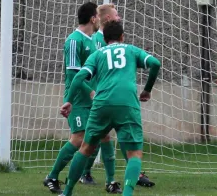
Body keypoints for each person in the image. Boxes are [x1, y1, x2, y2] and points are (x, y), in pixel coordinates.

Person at [59, 20, 161, 196]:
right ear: (122, 37)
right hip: (126, 102)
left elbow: (78, 77)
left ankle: (67, 192)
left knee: (85, 148)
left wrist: (68, 101)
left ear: (104, 39)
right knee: (134, 153)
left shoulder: (97, 54)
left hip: (101, 103)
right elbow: (155, 64)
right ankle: (126, 194)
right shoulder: (131, 50)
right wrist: (147, 90)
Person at [43, 2, 115, 194]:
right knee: (78, 139)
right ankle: (51, 176)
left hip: (93, 99)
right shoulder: (74, 41)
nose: (99, 20)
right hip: (77, 99)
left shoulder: (91, 40)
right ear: (93, 19)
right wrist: (91, 92)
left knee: (104, 135)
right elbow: (75, 75)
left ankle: (111, 182)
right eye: (97, 17)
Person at [81, 3, 155, 188]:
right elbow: (88, 70)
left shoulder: (111, 41)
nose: (120, 17)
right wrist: (91, 91)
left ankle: (120, 176)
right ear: (107, 19)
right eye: (117, 15)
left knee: (110, 137)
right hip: (101, 95)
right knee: (94, 139)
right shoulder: (96, 41)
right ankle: (98, 176)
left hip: (109, 97)